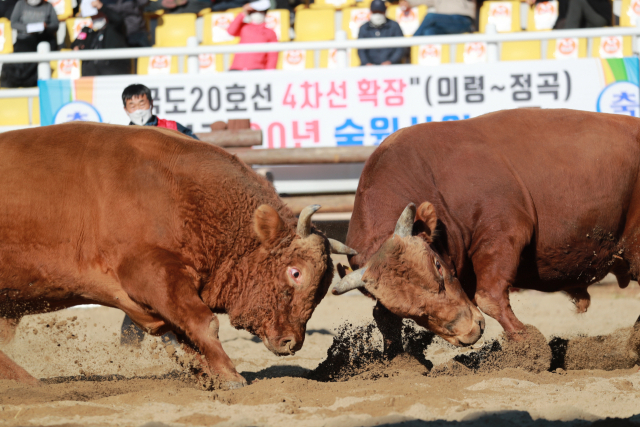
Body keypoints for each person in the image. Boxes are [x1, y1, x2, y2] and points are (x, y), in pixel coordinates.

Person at [1, 0, 58, 87]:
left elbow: (55, 25)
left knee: (42, 47)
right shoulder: (20, 4)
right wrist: (27, 29)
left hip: (42, 38)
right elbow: (14, 23)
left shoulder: (48, 6)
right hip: (25, 39)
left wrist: (46, 27)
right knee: (24, 48)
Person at [71, 3, 131, 75]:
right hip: (91, 69)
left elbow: (118, 19)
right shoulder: (88, 32)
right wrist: (77, 46)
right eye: (93, 17)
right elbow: (76, 43)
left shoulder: (113, 29)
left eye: (98, 15)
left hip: (111, 67)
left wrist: (102, 7)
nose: (96, 18)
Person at [122, 84, 199, 139]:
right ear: (126, 110)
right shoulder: (125, 136)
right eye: (133, 106)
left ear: (151, 103)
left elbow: (196, 146)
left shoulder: (172, 127)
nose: (138, 110)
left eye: (142, 104)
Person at [226, 0, 278, 71]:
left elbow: (273, 55)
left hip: (257, 69)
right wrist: (243, 12)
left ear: (265, 14)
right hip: (237, 68)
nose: (257, 14)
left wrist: (270, 72)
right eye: (254, 12)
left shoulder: (270, 32)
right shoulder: (244, 27)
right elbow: (231, 31)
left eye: (260, 12)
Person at [357, 0, 404, 66]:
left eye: (380, 12)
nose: (378, 14)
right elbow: (361, 50)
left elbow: (400, 48)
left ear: (385, 12)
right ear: (371, 12)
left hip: (392, 67)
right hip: (369, 68)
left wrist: (391, 61)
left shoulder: (394, 26)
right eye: (375, 12)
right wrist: (367, 63)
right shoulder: (364, 28)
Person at [400, 0, 475, 36]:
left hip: (463, 21)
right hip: (443, 23)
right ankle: (431, 63)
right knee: (429, 31)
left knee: (430, 16)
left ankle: (410, 45)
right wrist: (408, 2)